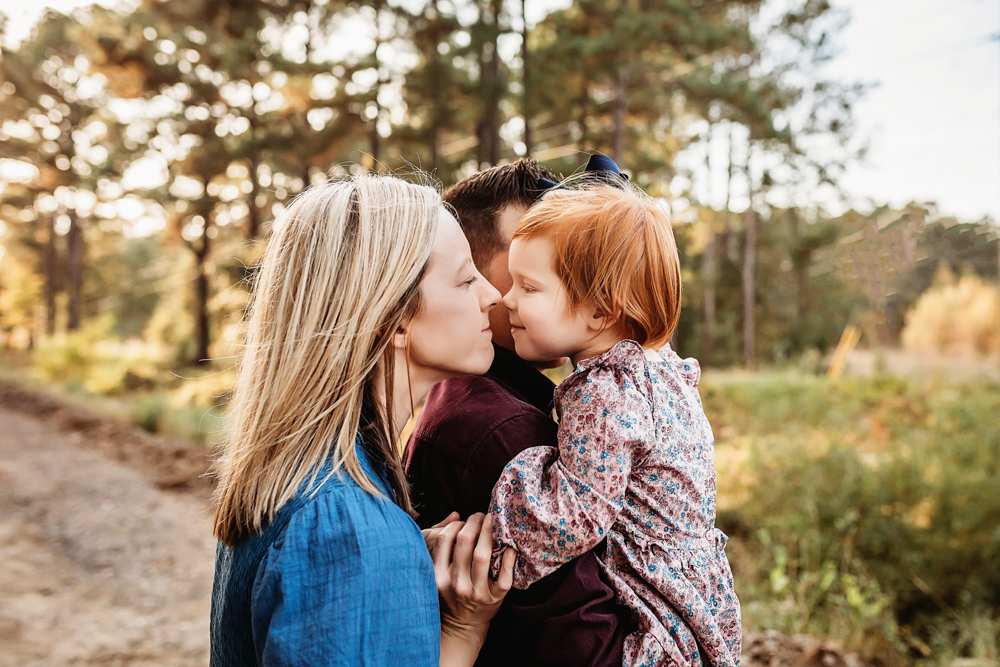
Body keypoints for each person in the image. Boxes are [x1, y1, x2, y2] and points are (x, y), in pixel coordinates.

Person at [209, 172, 517, 667]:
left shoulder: (296, 484)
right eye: (465, 279)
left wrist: (401, 565)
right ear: (391, 318)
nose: (492, 296)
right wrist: (462, 628)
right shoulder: (347, 529)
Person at [489, 182, 742, 666]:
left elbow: (575, 515)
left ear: (600, 310)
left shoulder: (605, 393)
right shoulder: (657, 366)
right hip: (698, 591)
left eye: (529, 287)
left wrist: (499, 530)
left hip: (658, 608)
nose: (507, 299)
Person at [404, 158, 632, 667]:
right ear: (474, 268)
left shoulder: (520, 402)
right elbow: (585, 651)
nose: (570, 270)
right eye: (532, 248)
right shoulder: (502, 431)